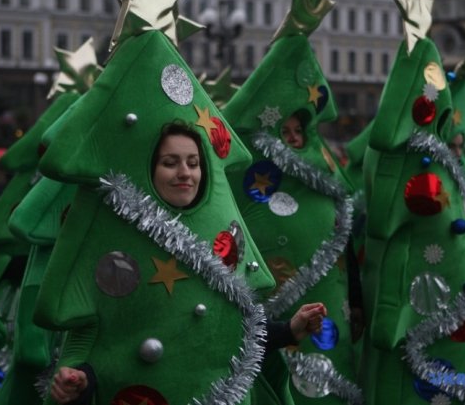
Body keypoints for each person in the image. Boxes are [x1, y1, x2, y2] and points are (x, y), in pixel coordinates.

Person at [49, 123, 328, 404]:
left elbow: (231, 330)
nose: (185, 173)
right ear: (149, 168)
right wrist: (80, 381)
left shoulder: (225, 238)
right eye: (171, 163)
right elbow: (101, 340)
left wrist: (289, 329)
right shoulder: (115, 247)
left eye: (193, 163)